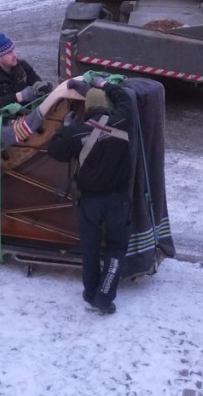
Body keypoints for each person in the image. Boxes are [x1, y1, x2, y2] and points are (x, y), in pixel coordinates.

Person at [47, 75, 133, 315]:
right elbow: (124, 98)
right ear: (106, 107)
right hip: (118, 200)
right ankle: (104, 296)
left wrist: (64, 129)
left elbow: (54, 150)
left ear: (86, 109)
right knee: (116, 248)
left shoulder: (76, 133)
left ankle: (90, 291)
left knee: (90, 248)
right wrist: (104, 84)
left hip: (90, 202)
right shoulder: (123, 120)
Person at [0, 32, 50, 123]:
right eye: (9, 52)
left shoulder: (22, 66)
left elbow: (35, 79)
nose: (15, 55)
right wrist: (20, 96)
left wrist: (40, 86)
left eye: (13, 50)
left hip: (23, 122)